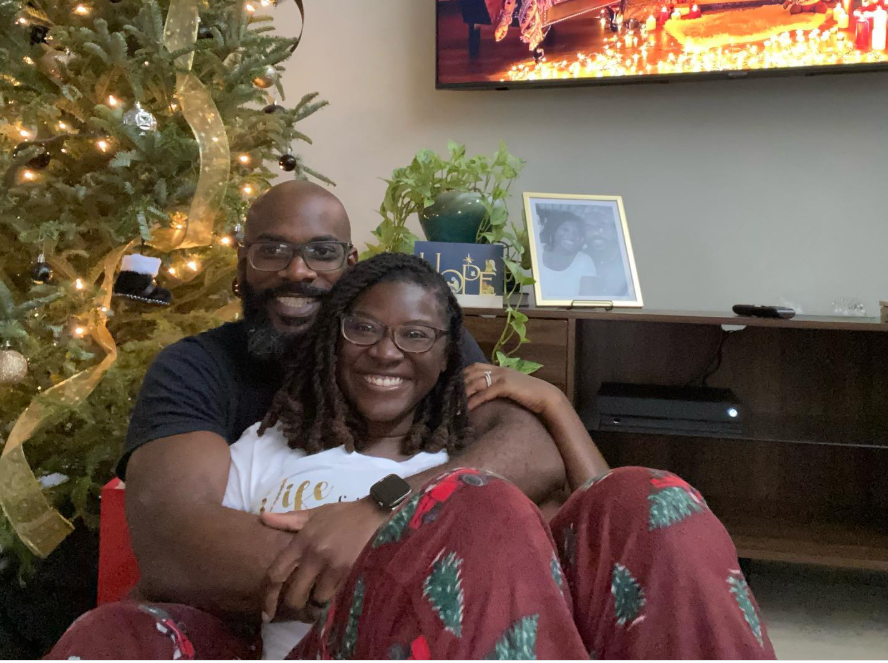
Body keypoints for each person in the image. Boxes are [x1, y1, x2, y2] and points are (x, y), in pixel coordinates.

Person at [49, 254, 775, 660]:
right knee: (479, 509)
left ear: (446, 354)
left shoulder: (468, 451)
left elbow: (597, 521)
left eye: (416, 337)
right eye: (363, 328)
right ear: (331, 337)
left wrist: (389, 508)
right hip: (336, 646)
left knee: (650, 492)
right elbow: (181, 571)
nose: (387, 352)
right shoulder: (261, 448)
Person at [107, 182, 567, 620]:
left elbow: (528, 451)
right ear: (243, 261)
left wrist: (382, 512)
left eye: (322, 253)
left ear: (350, 266)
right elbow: (176, 542)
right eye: (272, 250)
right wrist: (388, 568)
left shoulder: (412, 343)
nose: (297, 271)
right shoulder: (195, 368)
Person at [537, 210, 598, 300]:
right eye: (565, 229)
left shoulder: (584, 260)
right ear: (554, 231)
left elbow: (588, 302)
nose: (571, 236)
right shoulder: (536, 251)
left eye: (577, 232)